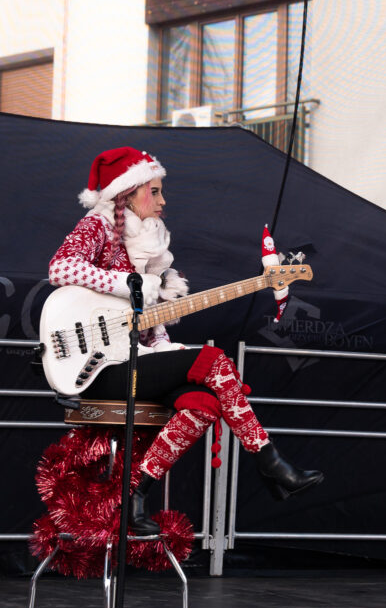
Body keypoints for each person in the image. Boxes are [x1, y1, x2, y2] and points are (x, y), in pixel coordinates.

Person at [48, 146, 324, 535]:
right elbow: (60, 266)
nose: (163, 201)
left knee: (205, 403)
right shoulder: (99, 226)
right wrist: (126, 283)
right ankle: (270, 462)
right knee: (212, 359)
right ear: (128, 193)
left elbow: (144, 320)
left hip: (133, 355)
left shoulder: (151, 244)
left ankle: (136, 494)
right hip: (99, 366)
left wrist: (164, 343)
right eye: (155, 191)